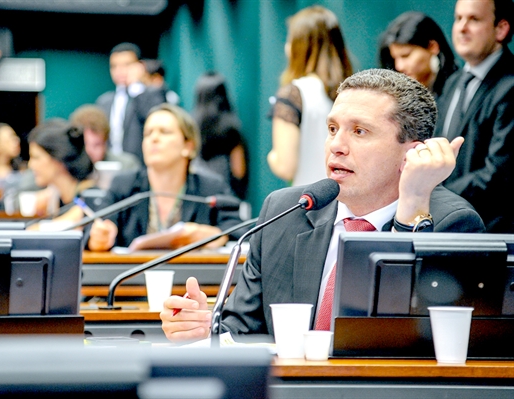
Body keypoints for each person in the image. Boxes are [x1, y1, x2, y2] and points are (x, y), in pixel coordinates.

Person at [160, 68, 485, 343]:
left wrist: (412, 206)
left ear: (411, 153)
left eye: (359, 131)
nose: (336, 146)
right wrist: (204, 329)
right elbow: (241, 331)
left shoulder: (451, 224)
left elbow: (409, 346)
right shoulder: (286, 211)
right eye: (332, 129)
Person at [87, 103, 243, 251]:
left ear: (188, 146)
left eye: (164, 132)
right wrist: (98, 238)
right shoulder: (124, 185)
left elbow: (240, 231)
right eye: (147, 133)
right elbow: (94, 229)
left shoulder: (211, 188)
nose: (153, 138)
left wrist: (216, 235)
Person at [434, 0, 514, 233]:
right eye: (458, 19)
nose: (461, 27)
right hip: (447, 226)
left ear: (501, 29)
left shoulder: (510, 85)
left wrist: (434, 192)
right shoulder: (453, 82)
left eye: (474, 19)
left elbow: (498, 174)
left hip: (491, 234)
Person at [267, 6, 352, 186]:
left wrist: (271, 156)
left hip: (312, 203)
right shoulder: (352, 92)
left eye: (291, 41)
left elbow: (285, 166)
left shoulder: (293, 93)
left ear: (300, 47)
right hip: (347, 201)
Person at [96, 43, 167, 163]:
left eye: (126, 65)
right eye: (114, 66)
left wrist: (135, 86)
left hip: (140, 168)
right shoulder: (104, 102)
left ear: (140, 66)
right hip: (109, 166)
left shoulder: (152, 95)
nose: (119, 71)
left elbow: (156, 121)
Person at [191, 71, 248, 199]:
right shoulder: (231, 127)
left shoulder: (191, 125)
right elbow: (239, 170)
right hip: (225, 195)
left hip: (197, 194)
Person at [379, 11, 459, 97]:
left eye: (406, 56)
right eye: (394, 58)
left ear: (432, 47)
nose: (399, 66)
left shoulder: (458, 89)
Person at [27, 119, 95, 218]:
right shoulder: (54, 198)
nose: (31, 165)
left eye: (36, 157)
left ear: (59, 157)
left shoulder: (90, 198)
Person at [69, 104, 141, 169]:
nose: (89, 151)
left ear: (106, 143)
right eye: (84, 144)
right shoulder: (65, 169)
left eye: (97, 145)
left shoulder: (127, 167)